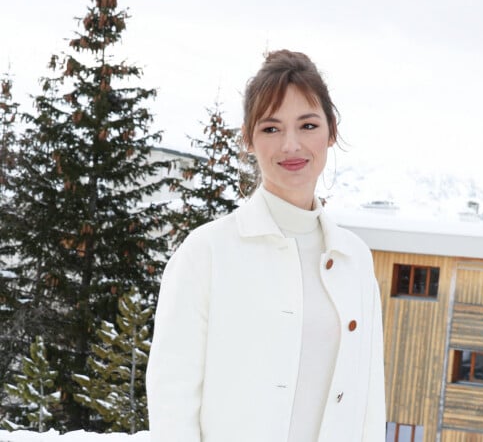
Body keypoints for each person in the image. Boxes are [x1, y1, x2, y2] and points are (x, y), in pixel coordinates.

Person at [146, 50, 386, 442]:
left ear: (332, 131)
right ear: (248, 139)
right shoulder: (206, 252)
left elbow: (369, 402)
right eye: (271, 129)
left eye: (307, 125)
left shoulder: (354, 259)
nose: (290, 145)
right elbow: (172, 397)